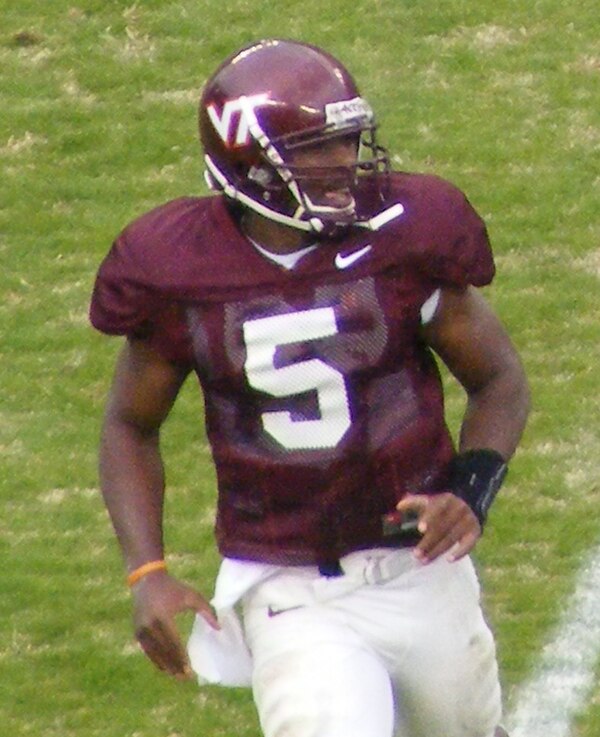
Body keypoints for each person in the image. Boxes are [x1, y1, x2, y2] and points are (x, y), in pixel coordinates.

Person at [90, 38, 530, 737]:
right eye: (316, 149)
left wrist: (468, 490)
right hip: (285, 579)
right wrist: (145, 569)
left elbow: (499, 377)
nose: (343, 164)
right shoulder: (180, 271)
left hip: (416, 562)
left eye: (348, 140)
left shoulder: (403, 237)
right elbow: (128, 424)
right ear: (247, 166)